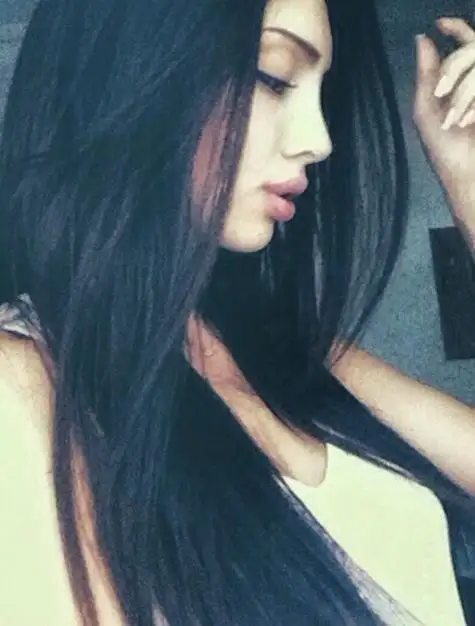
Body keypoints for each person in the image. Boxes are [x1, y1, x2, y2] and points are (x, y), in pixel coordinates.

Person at [0, 0, 474, 624]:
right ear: (133, 69)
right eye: (273, 77)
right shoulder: (25, 383)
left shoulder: (289, 351)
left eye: (320, 90)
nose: (318, 140)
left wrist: (468, 182)